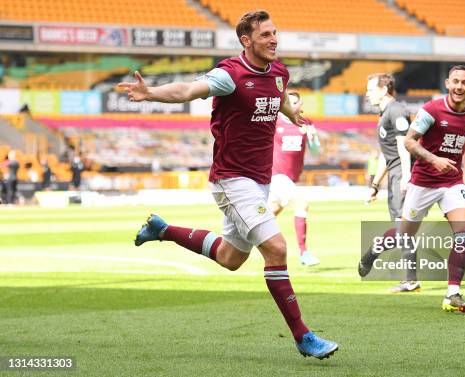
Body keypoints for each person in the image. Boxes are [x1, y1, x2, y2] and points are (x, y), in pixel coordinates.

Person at [118, 10, 337, 359]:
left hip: (259, 181)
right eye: (265, 35)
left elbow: (276, 96)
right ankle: (303, 335)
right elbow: (189, 89)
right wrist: (152, 93)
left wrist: (292, 114)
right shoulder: (229, 75)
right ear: (247, 41)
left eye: (275, 33)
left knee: (230, 258)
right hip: (232, 179)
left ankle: (163, 230)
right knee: (277, 249)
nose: (274, 39)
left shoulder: (280, 73)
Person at [359, 65, 465, 313]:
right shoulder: (431, 110)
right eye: (455, 81)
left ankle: (452, 294)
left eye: (464, 83)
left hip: (452, 182)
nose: (459, 86)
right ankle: (373, 251)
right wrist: (434, 160)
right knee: (404, 234)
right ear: (448, 83)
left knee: (464, 235)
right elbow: (408, 141)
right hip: (423, 182)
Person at [363, 73, 418, 293]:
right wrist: (375, 185)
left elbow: (404, 146)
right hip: (395, 174)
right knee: (402, 228)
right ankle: (373, 254)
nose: (367, 94)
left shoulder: (396, 111)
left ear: (384, 90)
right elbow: (388, 155)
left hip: (401, 176)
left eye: (370, 89)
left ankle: (409, 279)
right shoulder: (385, 113)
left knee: (403, 228)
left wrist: (406, 176)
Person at [269, 90, 321, 266]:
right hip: (276, 176)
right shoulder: (274, 121)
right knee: (301, 204)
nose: (290, 105)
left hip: (290, 178)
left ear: (300, 105)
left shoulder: (306, 123)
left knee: (268, 215)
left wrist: (313, 139)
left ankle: (239, 243)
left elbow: (316, 152)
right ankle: (303, 252)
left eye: (294, 102)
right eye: (287, 102)